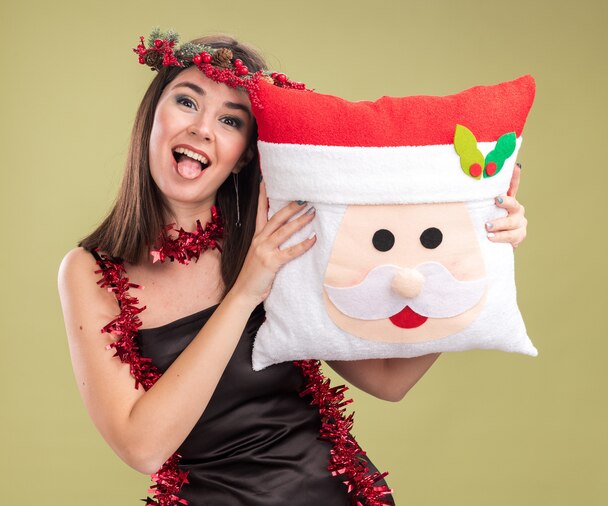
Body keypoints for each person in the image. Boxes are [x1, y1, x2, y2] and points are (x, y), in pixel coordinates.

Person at [58, 30, 528, 505]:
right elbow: (143, 448)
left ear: (244, 156)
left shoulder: (277, 239)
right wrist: (245, 292)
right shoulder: (91, 272)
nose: (202, 129)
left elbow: (389, 380)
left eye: (229, 120)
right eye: (186, 101)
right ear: (152, 117)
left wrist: (474, 250)